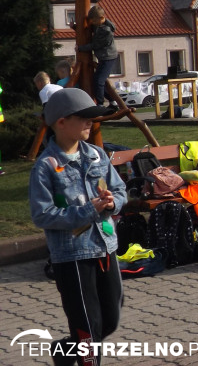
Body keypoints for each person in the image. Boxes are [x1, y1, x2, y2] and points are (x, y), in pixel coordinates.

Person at [29, 88, 127, 366]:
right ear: (61, 122)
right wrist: (86, 211)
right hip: (72, 255)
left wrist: (111, 203)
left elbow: (120, 191)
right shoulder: (46, 167)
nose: (90, 123)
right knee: (87, 328)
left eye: (92, 118)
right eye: (83, 118)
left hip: (105, 247)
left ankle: (64, 351)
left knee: (110, 318)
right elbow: (42, 214)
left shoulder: (97, 155)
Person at [77, 5, 118, 107]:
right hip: (103, 58)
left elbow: (96, 45)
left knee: (99, 80)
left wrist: (80, 48)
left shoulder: (106, 31)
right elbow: (87, 29)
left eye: (94, 21)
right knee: (98, 80)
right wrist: (75, 27)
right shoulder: (98, 25)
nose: (93, 24)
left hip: (108, 58)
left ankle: (100, 103)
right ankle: (112, 101)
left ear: (101, 18)